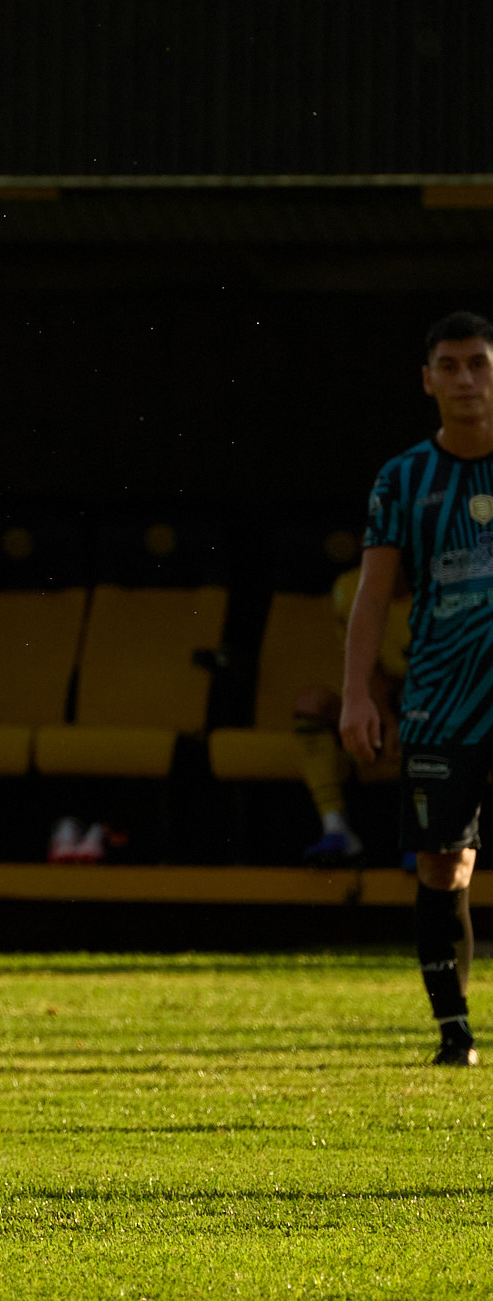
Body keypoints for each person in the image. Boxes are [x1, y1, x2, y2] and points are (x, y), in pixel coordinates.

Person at [344, 310, 493, 1068]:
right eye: (451, 365)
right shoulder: (402, 478)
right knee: (444, 862)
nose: (466, 379)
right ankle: (454, 1031)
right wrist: (357, 694)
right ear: (427, 379)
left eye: (479, 363)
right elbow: (372, 595)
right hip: (441, 697)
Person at [292, 565, 408, 866]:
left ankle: (430, 837)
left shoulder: (448, 581)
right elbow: (364, 662)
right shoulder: (352, 586)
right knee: (311, 704)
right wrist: (386, 718)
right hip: (379, 702)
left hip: (436, 699)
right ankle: (336, 828)